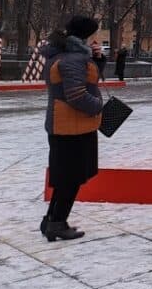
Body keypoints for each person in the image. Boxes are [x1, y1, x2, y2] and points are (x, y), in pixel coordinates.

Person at [41, 16, 105, 242]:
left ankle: (51, 220)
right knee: (71, 177)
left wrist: (97, 60)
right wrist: (99, 107)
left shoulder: (61, 55)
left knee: (64, 176)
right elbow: (77, 95)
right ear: (85, 35)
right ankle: (57, 223)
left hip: (63, 124)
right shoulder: (73, 59)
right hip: (72, 126)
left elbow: (89, 80)